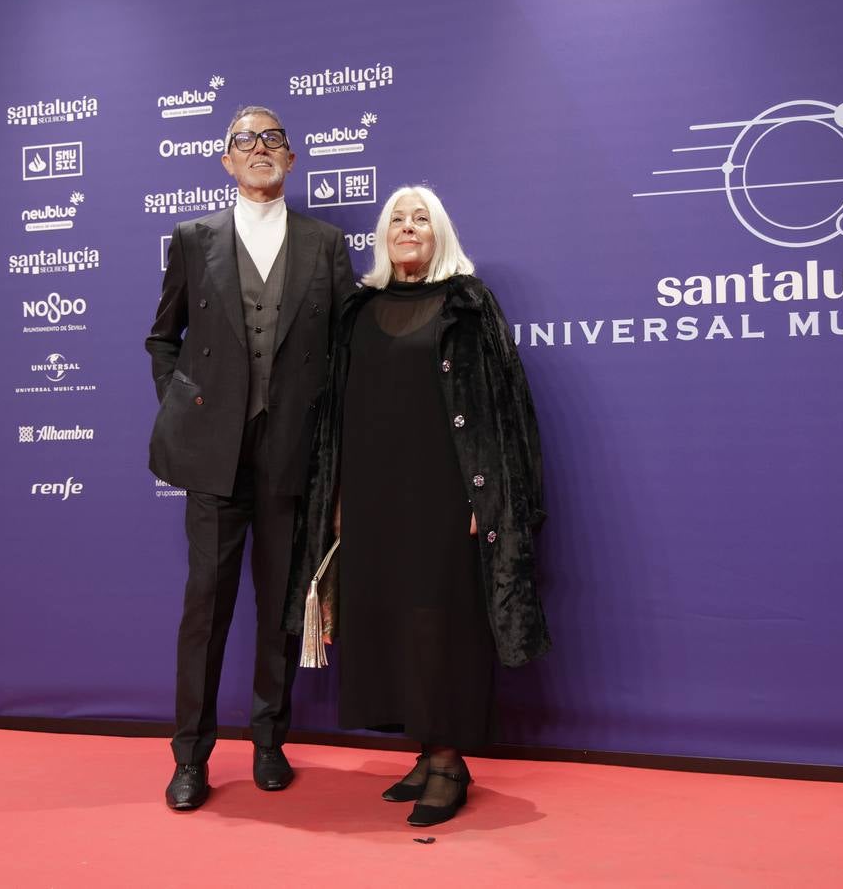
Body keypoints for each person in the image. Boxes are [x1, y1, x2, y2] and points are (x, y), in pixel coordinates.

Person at [286, 185, 550, 827]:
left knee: (441, 626)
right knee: (391, 624)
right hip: (375, 497)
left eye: (421, 219)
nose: (408, 227)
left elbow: (503, 405)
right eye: (397, 219)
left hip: (446, 491)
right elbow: (338, 418)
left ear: (440, 235)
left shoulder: (468, 304)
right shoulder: (358, 310)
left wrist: (485, 495)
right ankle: (423, 752)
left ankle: (449, 762)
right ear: (383, 237)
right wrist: (339, 498)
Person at [147, 105, 355, 810]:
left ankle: (269, 741)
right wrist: (184, 408)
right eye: (245, 141)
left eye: (272, 140)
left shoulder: (326, 244)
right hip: (213, 452)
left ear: (291, 161)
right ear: (225, 160)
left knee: (277, 606)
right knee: (205, 607)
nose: (259, 149)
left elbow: (343, 353)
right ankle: (191, 756)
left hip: (290, 446)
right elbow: (161, 338)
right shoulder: (192, 237)